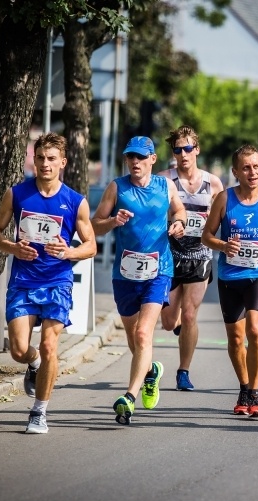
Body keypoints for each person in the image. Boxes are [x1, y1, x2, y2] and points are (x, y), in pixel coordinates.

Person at [0, 132, 97, 434]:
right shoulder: (18, 194)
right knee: (19, 350)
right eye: (40, 158)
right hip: (23, 281)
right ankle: (32, 363)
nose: (45, 164)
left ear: (63, 162)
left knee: (50, 345)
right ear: (33, 160)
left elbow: (91, 245)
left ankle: (39, 412)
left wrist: (69, 251)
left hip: (57, 282)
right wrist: (12, 247)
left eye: (51, 159)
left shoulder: (75, 201)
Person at [92, 136, 186, 425]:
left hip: (159, 271)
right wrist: (113, 222)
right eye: (130, 157)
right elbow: (95, 225)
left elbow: (179, 210)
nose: (135, 162)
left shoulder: (165, 185)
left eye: (140, 157)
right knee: (134, 339)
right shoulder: (116, 187)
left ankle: (129, 397)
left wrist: (179, 223)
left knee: (145, 334)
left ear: (152, 160)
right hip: (125, 274)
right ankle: (150, 373)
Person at [201, 145, 258, 418]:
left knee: (254, 328)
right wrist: (224, 246)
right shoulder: (224, 199)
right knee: (236, 338)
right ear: (236, 172)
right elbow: (206, 236)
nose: (252, 172)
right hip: (229, 277)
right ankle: (243, 387)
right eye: (246, 168)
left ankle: (255, 392)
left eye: (256, 166)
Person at [157, 126, 224, 391]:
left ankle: (183, 371)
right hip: (170, 255)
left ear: (196, 149)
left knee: (190, 314)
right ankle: (179, 328)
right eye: (177, 150)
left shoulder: (213, 183)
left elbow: (222, 218)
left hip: (200, 255)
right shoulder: (164, 180)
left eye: (187, 148)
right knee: (168, 322)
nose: (183, 155)